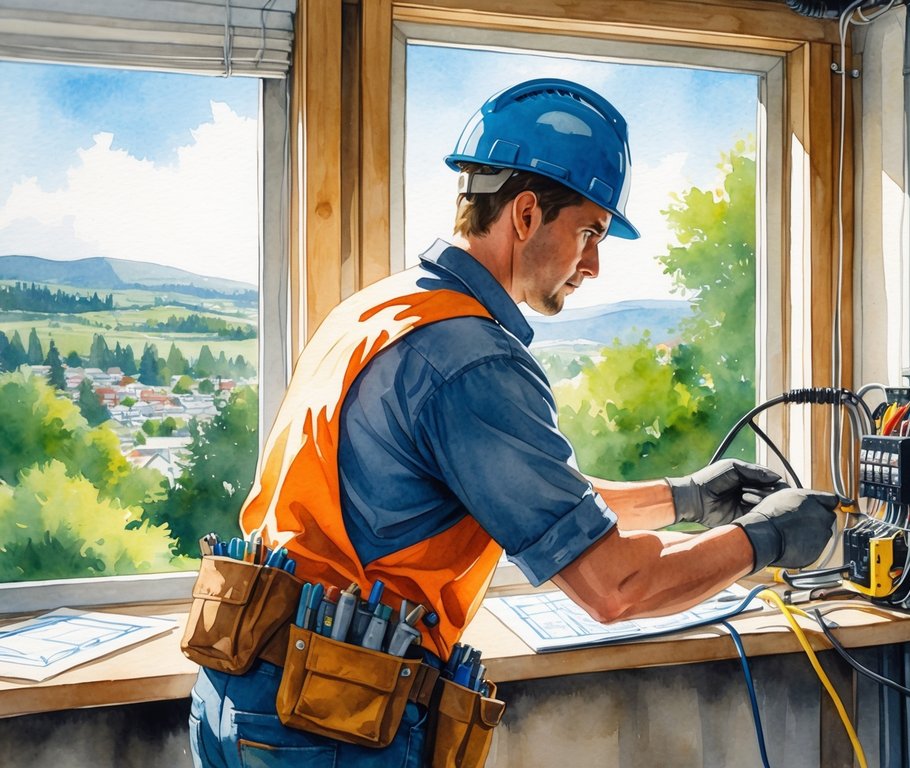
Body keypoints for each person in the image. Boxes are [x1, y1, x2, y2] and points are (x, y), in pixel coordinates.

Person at [188, 78, 839, 767]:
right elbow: (614, 589)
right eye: (588, 231)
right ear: (525, 214)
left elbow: (525, 494)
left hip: (238, 689)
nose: (592, 264)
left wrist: (688, 498)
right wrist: (765, 539)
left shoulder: (382, 309)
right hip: (325, 720)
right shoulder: (471, 359)